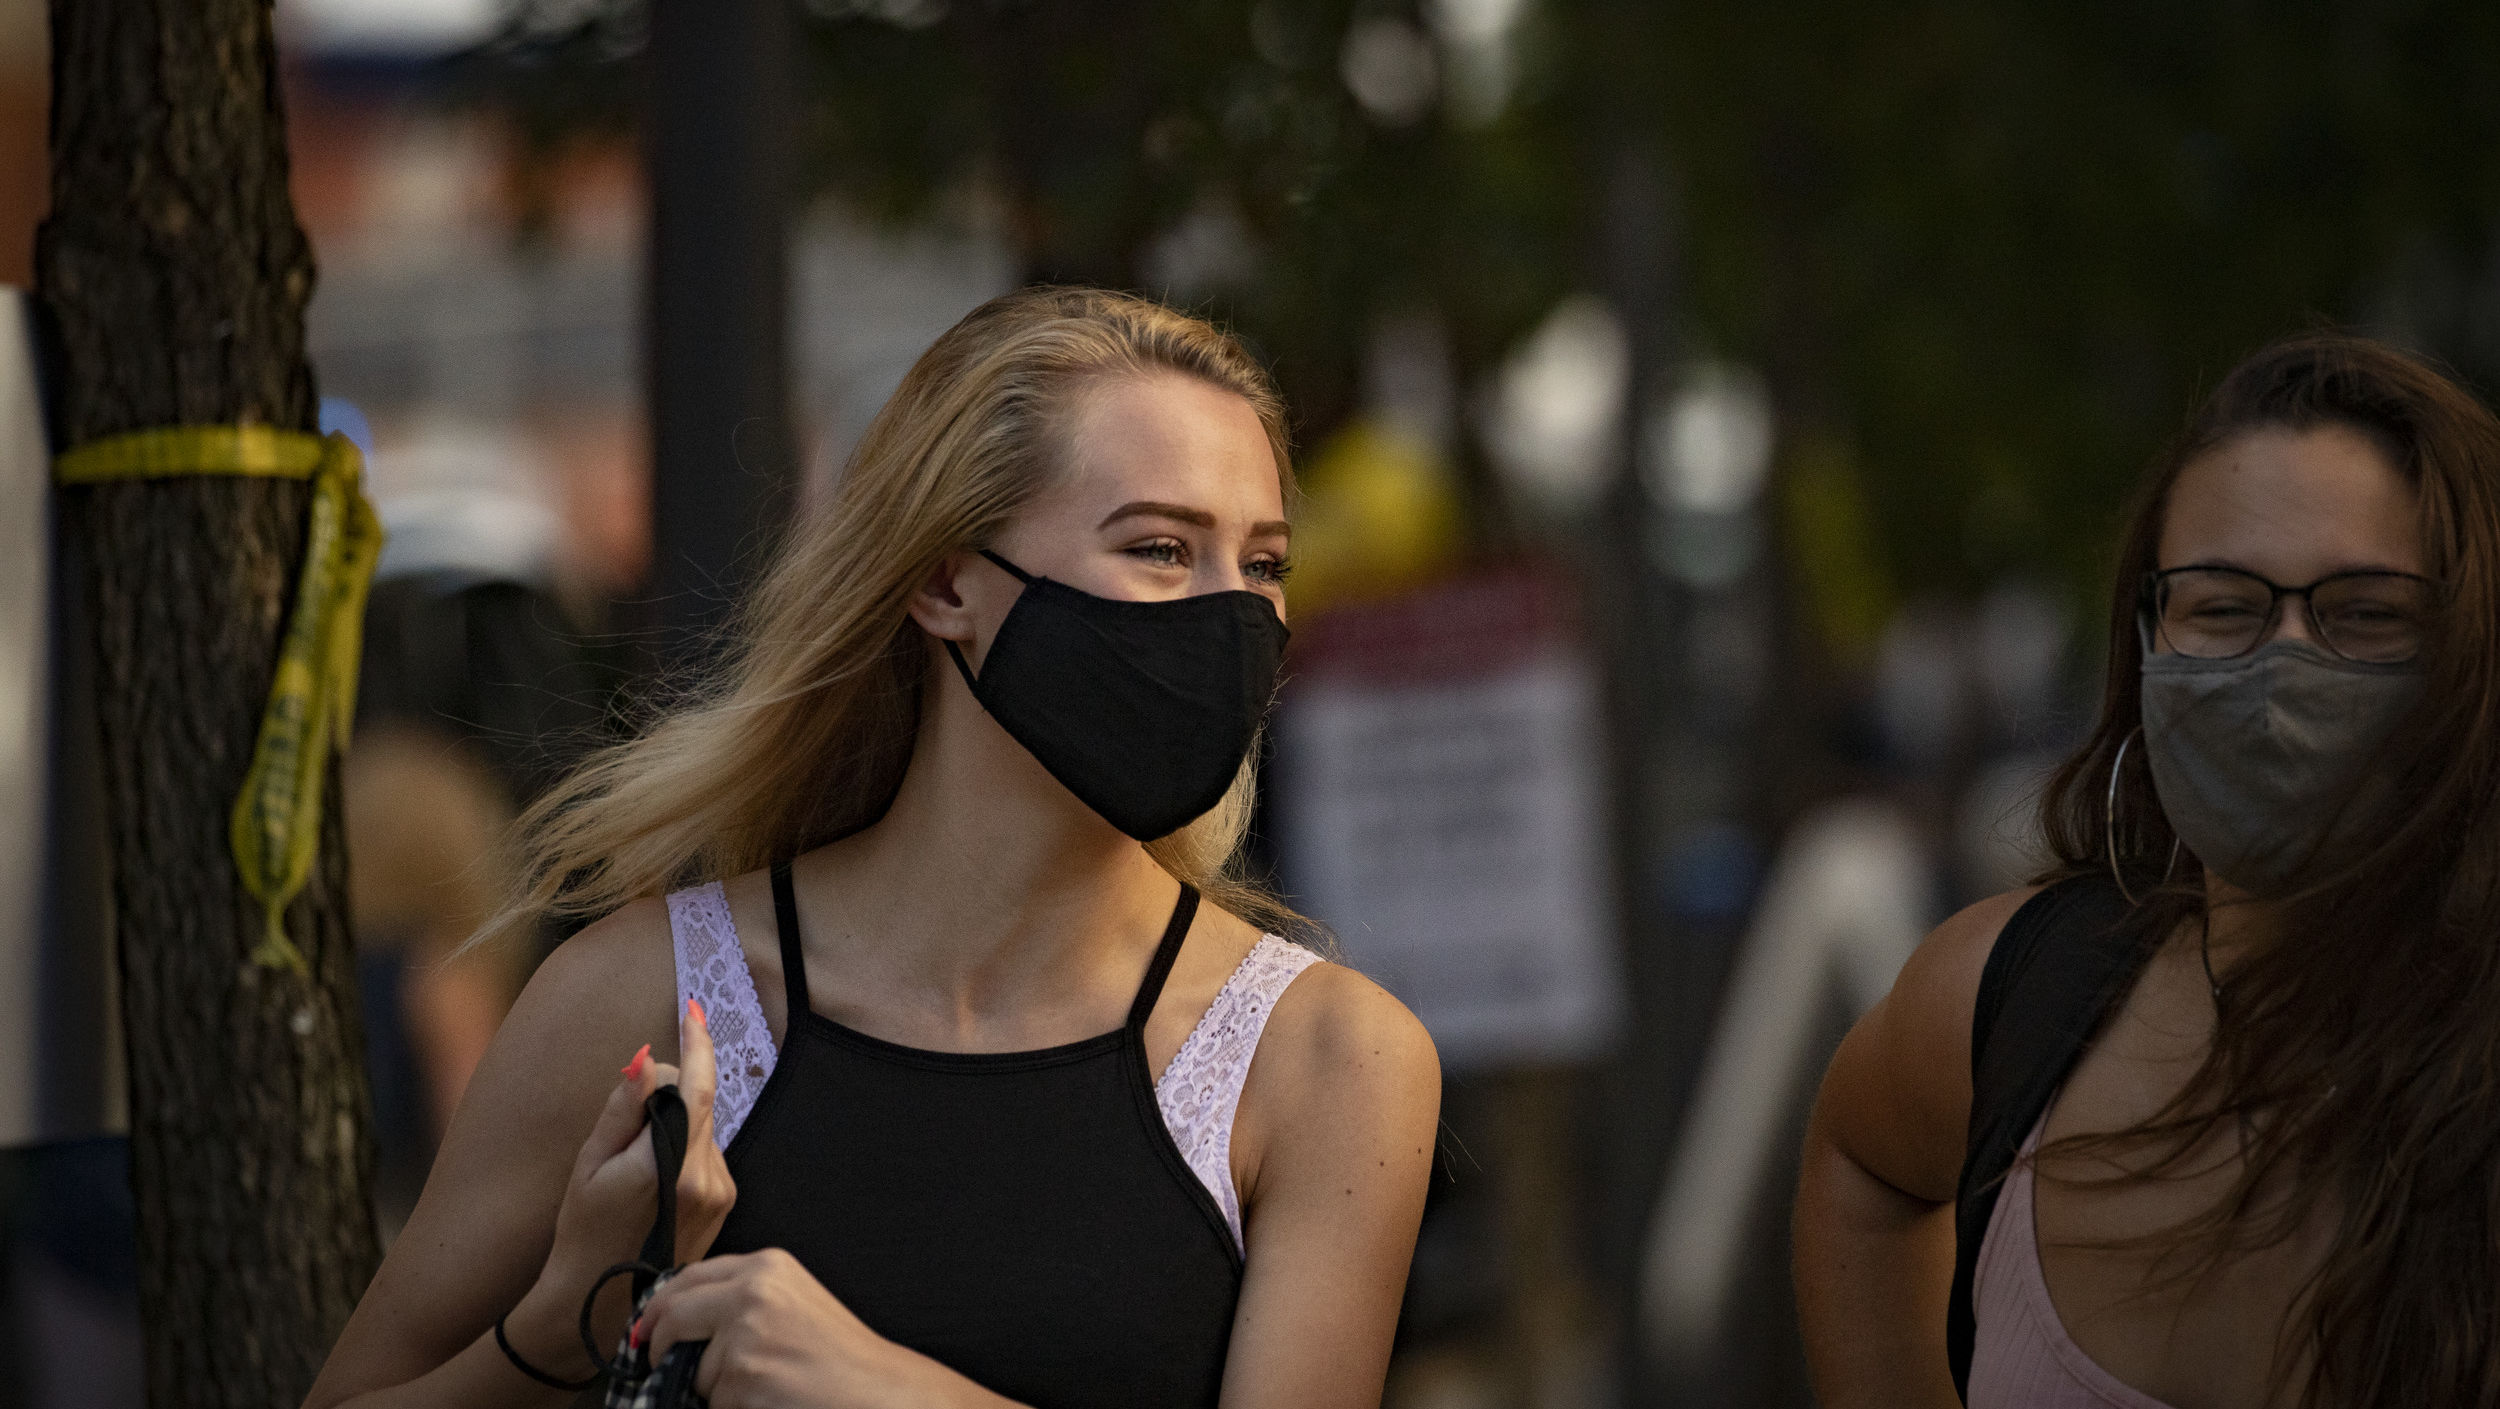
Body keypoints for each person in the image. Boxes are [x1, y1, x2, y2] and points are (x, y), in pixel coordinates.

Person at [304, 288, 1442, 1409]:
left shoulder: (1324, 1061)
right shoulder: (651, 997)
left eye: (1264, 564)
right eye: (1157, 547)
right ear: (947, 581)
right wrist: (566, 1321)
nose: (1228, 613)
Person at [1795, 332, 2500, 1408]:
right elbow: (1860, 1158)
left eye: (2363, 613)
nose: (2282, 661)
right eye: (2223, 606)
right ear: (2143, 641)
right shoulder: (2014, 1001)